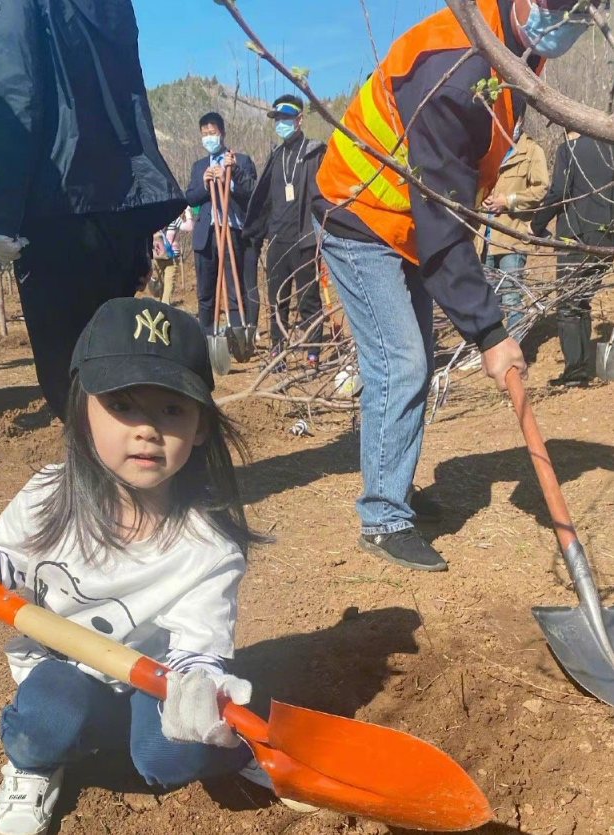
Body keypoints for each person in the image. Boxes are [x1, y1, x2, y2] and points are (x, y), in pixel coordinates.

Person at [0, 297, 315, 835]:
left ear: (202, 425)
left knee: (174, 754)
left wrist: (197, 688)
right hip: (62, 676)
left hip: (153, 686)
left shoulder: (209, 547)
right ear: (82, 410)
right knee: (47, 714)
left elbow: (198, 644)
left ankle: (240, 749)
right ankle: (33, 765)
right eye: (123, 405)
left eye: (172, 409)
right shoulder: (50, 495)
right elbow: (4, 561)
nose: (147, 430)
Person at [312, 0, 593, 572]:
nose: (566, 22)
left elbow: (448, 206)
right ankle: (383, 516)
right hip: (359, 211)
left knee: (410, 359)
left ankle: (395, 492)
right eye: (559, 6)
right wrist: (490, 334)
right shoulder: (456, 64)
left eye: (582, 13)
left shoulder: (512, 44)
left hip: (408, 222)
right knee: (402, 363)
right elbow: (444, 224)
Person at [0, 0, 186, 418]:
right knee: (113, 363)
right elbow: (130, 102)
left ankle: (98, 479)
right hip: (118, 206)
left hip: (55, 206)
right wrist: (139, 229)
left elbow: (11, 89)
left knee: (70, 377)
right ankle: (128, 477)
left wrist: (0, 214)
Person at [244, 95, 326, 367]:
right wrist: (258, 233)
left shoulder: (314, 152)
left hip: (304, 239)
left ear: (299, 119)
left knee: (308, 300)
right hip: (277, 239)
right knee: (277, 300)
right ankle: (277, 351)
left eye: (286, 119)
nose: (281, 124)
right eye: (277, 119)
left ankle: (313, 351)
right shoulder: (275, 156)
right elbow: (264, 201)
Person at [531, 130, 614, 386]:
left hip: (577, 236)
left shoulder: (569, 149)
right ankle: (579, 369)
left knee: (568, 304)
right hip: (607, 238)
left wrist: (536, 224)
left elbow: (559, 191)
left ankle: (575, 373)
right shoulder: (609, 149)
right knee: (582, 300)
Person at [185, 112, 257, 335]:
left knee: (235, 287)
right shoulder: (198, 166)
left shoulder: (240, 160)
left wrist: (229, 179)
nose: (209, 137)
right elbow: (190, 197)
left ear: (222, 134)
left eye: (212, 133)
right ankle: (207, 336)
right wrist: (206, 184)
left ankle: (237, 334)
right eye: (204, 134)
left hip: (232, 231)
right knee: (206, 291)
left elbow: (252, 193)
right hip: (206, 235)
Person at [480, 116, 548, 330]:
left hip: (511, 239)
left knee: (511, 301)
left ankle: (514, 355)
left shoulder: (531, 151)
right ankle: (492, 355)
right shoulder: (489, 149)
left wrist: (508, 201)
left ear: (521, 119)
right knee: (489, 303)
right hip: (484, 239)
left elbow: (541, 189)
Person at [150, 208, 194, 305]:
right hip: (172, 255)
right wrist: (188, 213)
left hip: (158, 254)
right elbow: (189, 227)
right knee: (169, 283)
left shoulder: (155, 218)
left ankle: (160, 304)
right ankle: (165, 306)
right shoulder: (175, 219)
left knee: (160, 282)